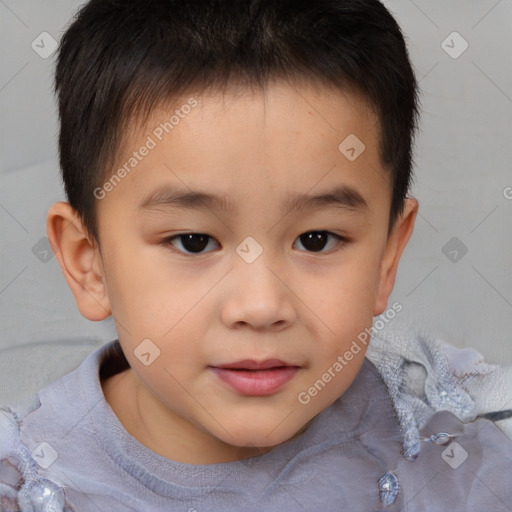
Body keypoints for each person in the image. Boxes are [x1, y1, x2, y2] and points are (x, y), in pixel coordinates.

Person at [1, 0, 511, 510]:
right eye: (194, 242)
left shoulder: (460, 456)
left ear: (386, 256)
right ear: (89, 263)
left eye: (316, 240)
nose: (261, 305)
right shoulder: (25, 483)